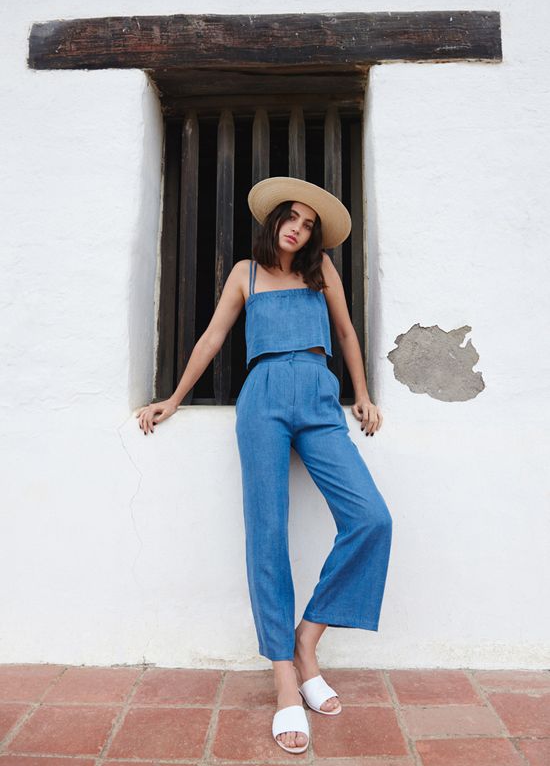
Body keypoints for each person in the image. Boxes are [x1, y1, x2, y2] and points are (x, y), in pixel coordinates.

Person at [135, 176, 393, 755]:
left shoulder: (320, 270)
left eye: (307, 223)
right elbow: (211, 337)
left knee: (372, 519)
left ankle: (308, 639)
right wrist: (174, 398)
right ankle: (284, 679)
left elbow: (347, 332)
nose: (297, 228)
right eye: (290, 218)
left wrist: (364, 394)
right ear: (273, 220)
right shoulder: (245, 276)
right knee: (267, 533)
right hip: (264, 397)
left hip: (320, 394)